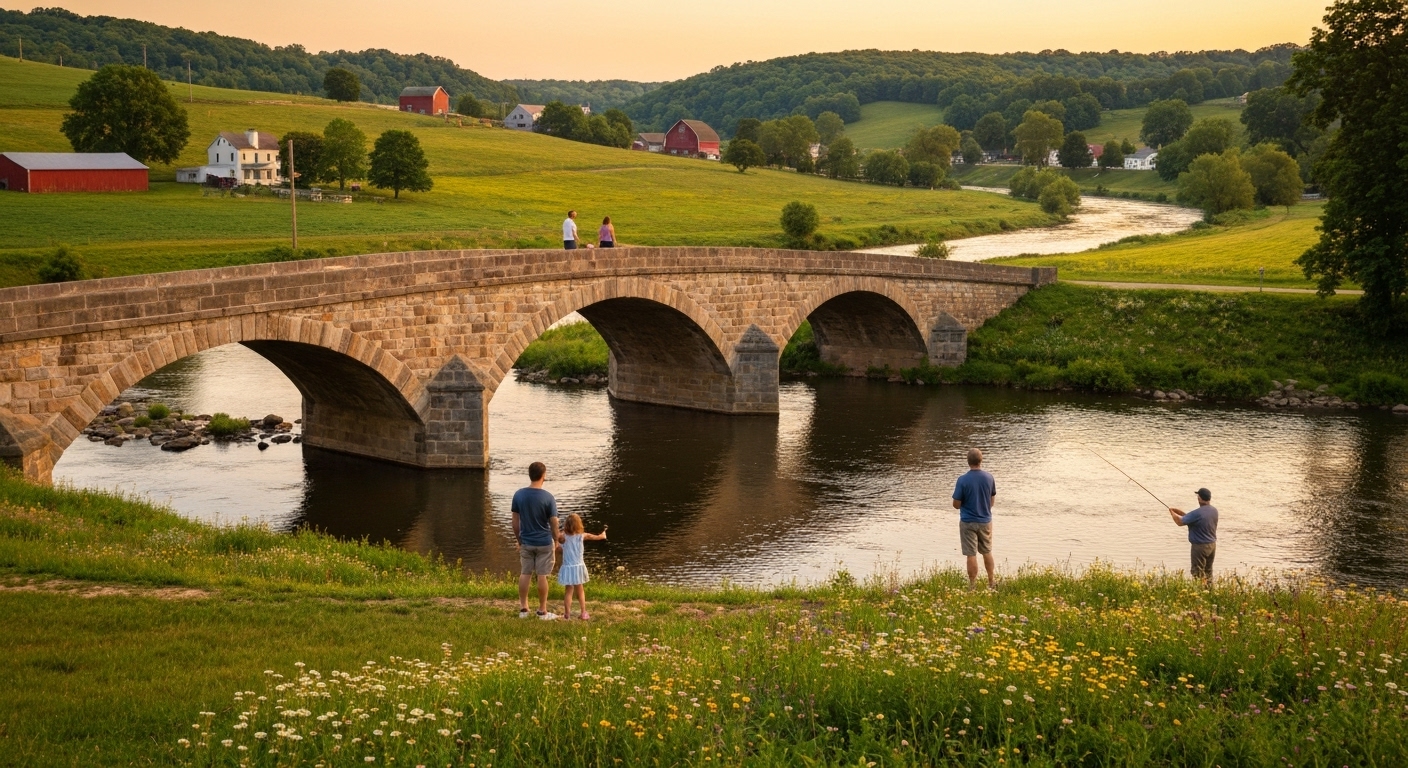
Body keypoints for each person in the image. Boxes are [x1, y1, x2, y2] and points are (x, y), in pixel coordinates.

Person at [512, 461, 560, 619]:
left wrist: (519, 540)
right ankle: (542, 610)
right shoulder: (548, 497)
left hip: (526, 542)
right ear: (543, 476)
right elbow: (554, 522)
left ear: (530, 475)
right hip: (544, 542)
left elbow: (515, 522)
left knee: (525, 573)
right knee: (542, 575)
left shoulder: (519, 495)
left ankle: (523, 609)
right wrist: (556, 539)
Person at [952, 447, 997, 589]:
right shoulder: (989, 477)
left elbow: (956, 504)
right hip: (985, 520)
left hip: (968, 522)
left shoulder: (962, 480)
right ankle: (991, 582)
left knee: (971, 554)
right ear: (981, 460)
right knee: (987, 551)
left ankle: (972, 586)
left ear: (968, 461)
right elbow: (992, 501)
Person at [556, 513, 607, 620]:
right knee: (580, 590)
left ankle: (567, 614)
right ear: (579, 525)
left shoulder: (563, 537)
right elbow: (598, 537)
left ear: (566, 525)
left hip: (568, 567)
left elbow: (558, 549)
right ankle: (583, 612)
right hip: (578, 567)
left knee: (568, 591)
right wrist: (603, 534)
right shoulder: (582, 536)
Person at [1169, 488, 1218, 581]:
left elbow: (1180, 522)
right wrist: (1179, 512)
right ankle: (1209, 589)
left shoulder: (1197, 513)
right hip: (1212, 546)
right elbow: (1192, 519)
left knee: (1197, 573)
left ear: (1199, 498)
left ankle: (1199, 589)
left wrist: (1172, 513)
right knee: (1208, 571)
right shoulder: (1214, 511)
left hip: (1200, 547)